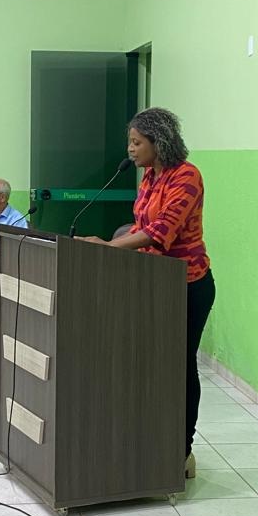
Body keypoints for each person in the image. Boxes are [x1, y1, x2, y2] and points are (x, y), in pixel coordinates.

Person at [78, 107, 215, 480]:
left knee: (179, 366)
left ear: (159, 142)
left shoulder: (187, 176)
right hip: (152, 283)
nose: (130, 149)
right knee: (150, 364)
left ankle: (182, 450)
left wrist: (109, 246)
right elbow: (140, 226)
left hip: (187, 285)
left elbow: (160, 232)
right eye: (131, 142)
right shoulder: (150, 176)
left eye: (137, 142)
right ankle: (150, 442)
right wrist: (114, 244)